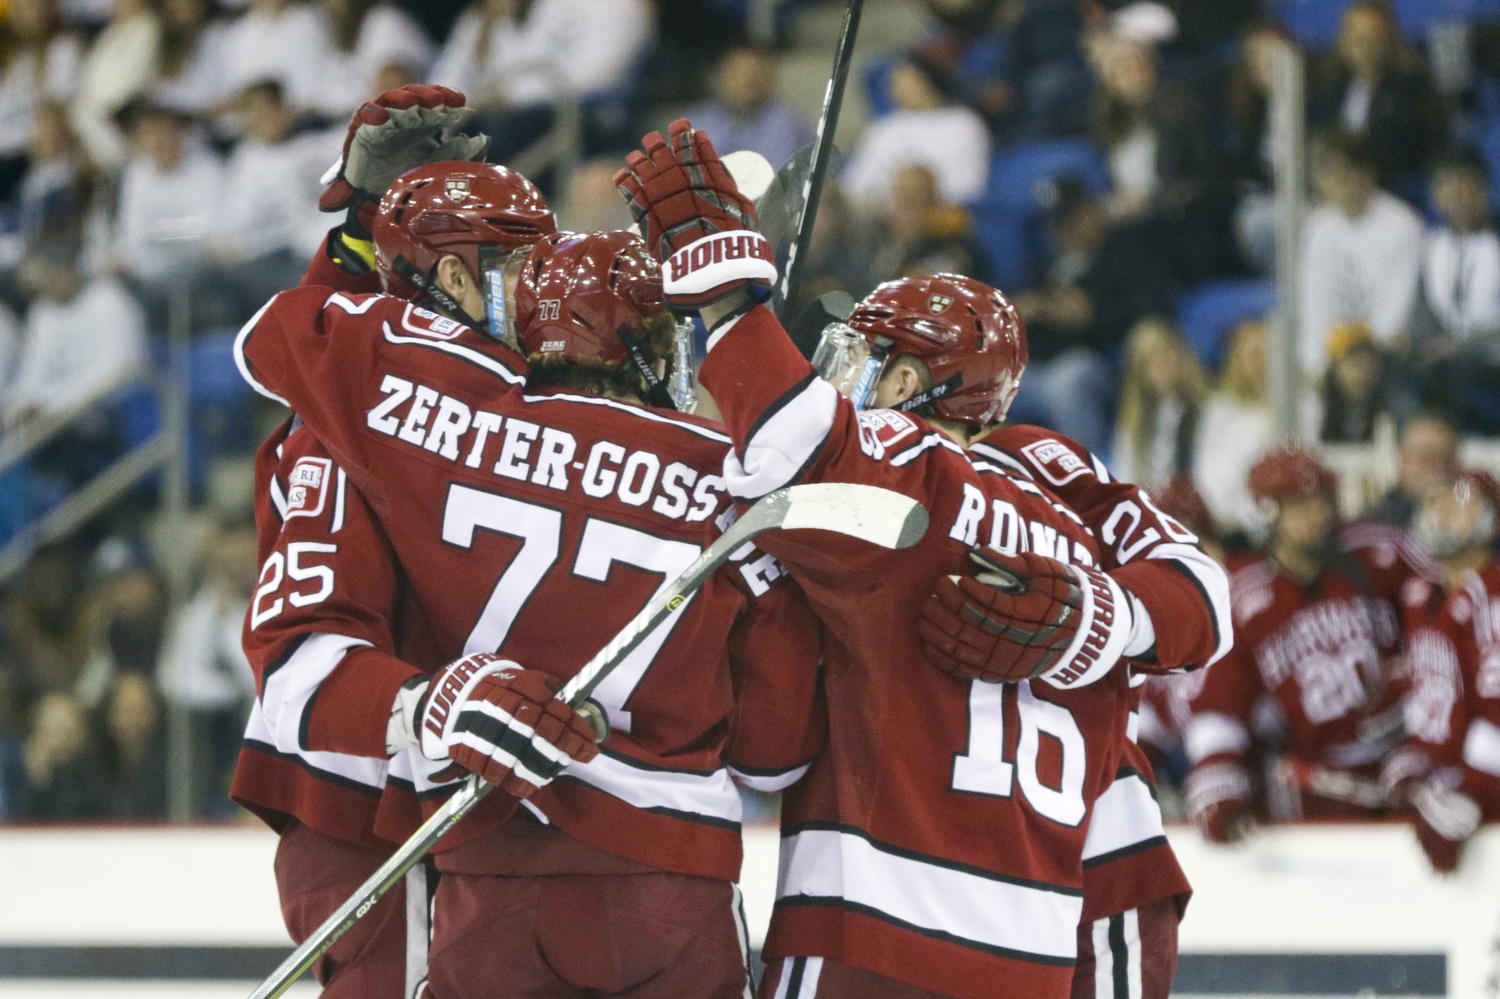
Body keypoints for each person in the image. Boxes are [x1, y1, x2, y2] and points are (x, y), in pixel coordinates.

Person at [618, 118, 1227, 999]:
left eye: (860, 358)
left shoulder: (903, 468)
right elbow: (1203, 596)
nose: (840, 377)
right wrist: (1105, 615)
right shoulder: (1057, 501)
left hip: (868, 919)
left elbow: (796, 445)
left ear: (907, 383)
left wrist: (725, 293)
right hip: (1031, 943)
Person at [234, 95, 820, 998]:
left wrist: (361, 235)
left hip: (483, 825)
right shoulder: (349, 429)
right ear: (452, 277)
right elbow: (298, 666)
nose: (538, 285)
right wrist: (424, 705)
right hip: (374, 807)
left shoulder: (445, 399)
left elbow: (316, 338)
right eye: (514, 264)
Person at [1184, 445, 1422, 840]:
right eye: (1298, 504)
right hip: (1315, 783)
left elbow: (1447, 624)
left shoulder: (1379, 551)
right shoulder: (1241, 597)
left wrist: (1407, 688)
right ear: (1267, 514)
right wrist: (1218, 783)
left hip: (1404, 764)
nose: (1317, 513)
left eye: (1320, 499)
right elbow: (1219, 704)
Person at [1009, 176, 1179, 457]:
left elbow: (1150, 314)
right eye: (1055, 224)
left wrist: (1093, 316)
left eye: (1071, 220)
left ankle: (1087, 470)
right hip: (1040, 365)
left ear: (1091, 211)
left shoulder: (1126, 251)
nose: (1062, 231)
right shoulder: (1047, 266)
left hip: (1100, 361)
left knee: (1069, 380)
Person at [1386, 472, 1500, 873]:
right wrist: (1413, 753)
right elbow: (1426, 687)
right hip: (1439, 797)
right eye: (1435, 501)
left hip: (1483, 803)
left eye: (1460, 503)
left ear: (1492, 523)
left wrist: (1474, 790)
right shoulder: (1419, 593)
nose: (1443, 513)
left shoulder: (1494, 596)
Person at [1299, 132, 1424, 377]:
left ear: (1366, 173)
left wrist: (1358, 355)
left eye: (1344, 172)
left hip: (1384, 356)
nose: (1337, 181)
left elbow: (1396, 311)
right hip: (1334, 358)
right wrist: (1317, 363)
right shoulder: (1318, 228)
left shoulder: (1403, 225)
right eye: (1327, 173)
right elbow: (1313, 306)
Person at [1307, 0, 1447, 191]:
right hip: (1332, 192)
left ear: (1390, 41)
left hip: (1391, 191)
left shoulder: (1413, 91)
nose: (1366, 49)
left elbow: (1419, 153)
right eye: (1358, 40)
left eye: (1374, 40)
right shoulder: (1327, 89)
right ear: (1344, 42)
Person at [1409, 149, 1500, 430]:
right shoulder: (1432, 245)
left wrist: (1462, 345)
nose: (1455, 195)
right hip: (1445, 359)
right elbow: (1422, 310)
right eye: (1445, 185)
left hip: (1490, 355)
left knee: (1452, 373)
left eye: (1463, 185)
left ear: (1482, 188)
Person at [842, 50, 991, 208]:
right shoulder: (883, 128)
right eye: (894, 83)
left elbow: (969, 186)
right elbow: (855, 185)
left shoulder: (963, 123)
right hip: (884, 215)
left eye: (905, 82)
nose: (897, 90)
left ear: (926, 81)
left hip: (942, 214)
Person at [1193, 318, 1271, 536]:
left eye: (1267, 355)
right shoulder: (1219, 409)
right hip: (1217, 522)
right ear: (1237, 360)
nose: (1261, 363)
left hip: (1258, 525)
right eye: (1254, 354)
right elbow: (1206, 470)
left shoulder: (1291, 409)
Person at [1111, 317, 1206, 493]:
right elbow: (1124, 480)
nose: (1162, 367)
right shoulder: (1133, 423)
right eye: (1151, 361)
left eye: (1167, 357)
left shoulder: (1206, 409)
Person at [684, 45, 815, 170]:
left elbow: (770, 180)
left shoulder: (787, 123)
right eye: (737, 76)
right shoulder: (699, 120)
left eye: (754, 76)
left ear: (769, 80)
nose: (745, 84)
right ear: (721, 79)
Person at [1363, 411, 1461, 528]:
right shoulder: (1377, 524)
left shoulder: (1473, 520)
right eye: (1427, 458)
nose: (1439, 468)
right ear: (1403, 459)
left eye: (1447, 459)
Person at [1318, 321, 1388, 444]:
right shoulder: (1315, 407)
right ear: (1335, 367)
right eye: (1354, 358)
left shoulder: (1390, 404)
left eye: (1368, 356)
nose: (1364, 365)